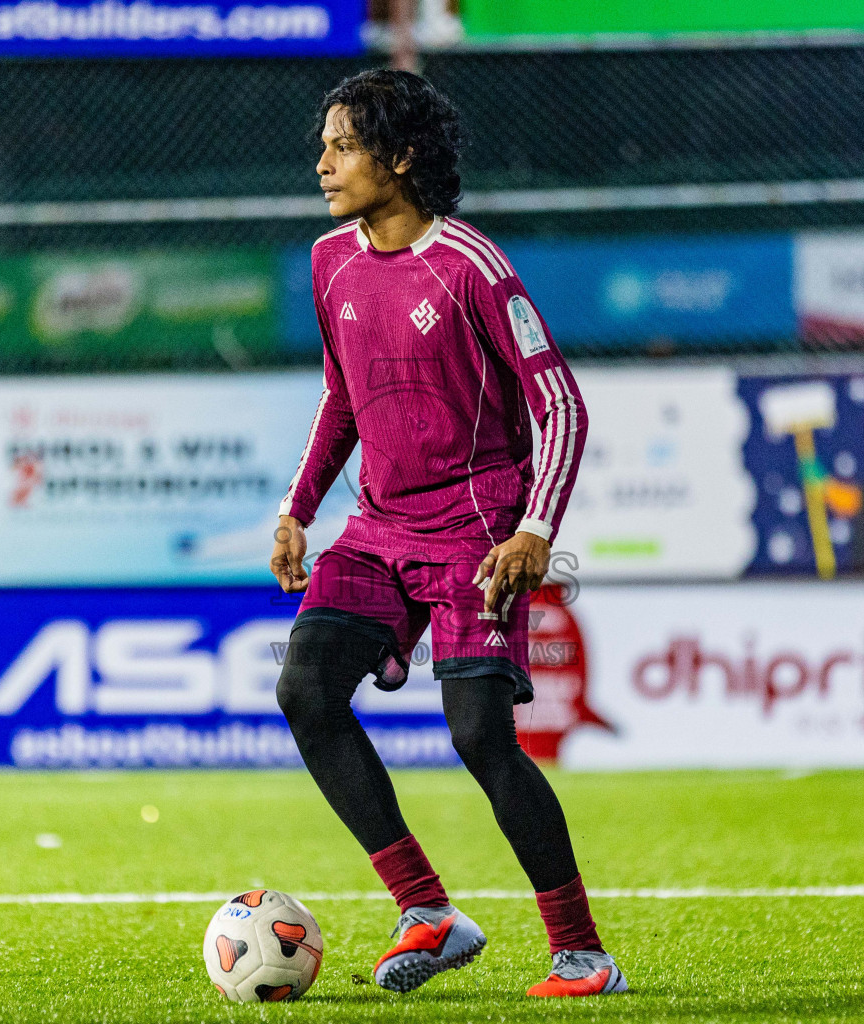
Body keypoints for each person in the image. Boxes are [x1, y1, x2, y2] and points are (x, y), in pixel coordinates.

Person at [269, 69, 623, 999]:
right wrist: (298, 511)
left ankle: (581, 952)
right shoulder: (329, 261)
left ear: (402, 156)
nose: (323, 164)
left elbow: (560, 403)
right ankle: (424, 908)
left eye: (342, 145)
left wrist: (537, 526)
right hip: (378, 529)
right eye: (326, 144)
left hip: (475, 533)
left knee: (479, 736)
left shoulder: (470, 264)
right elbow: (341, 398)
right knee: (305, 688)